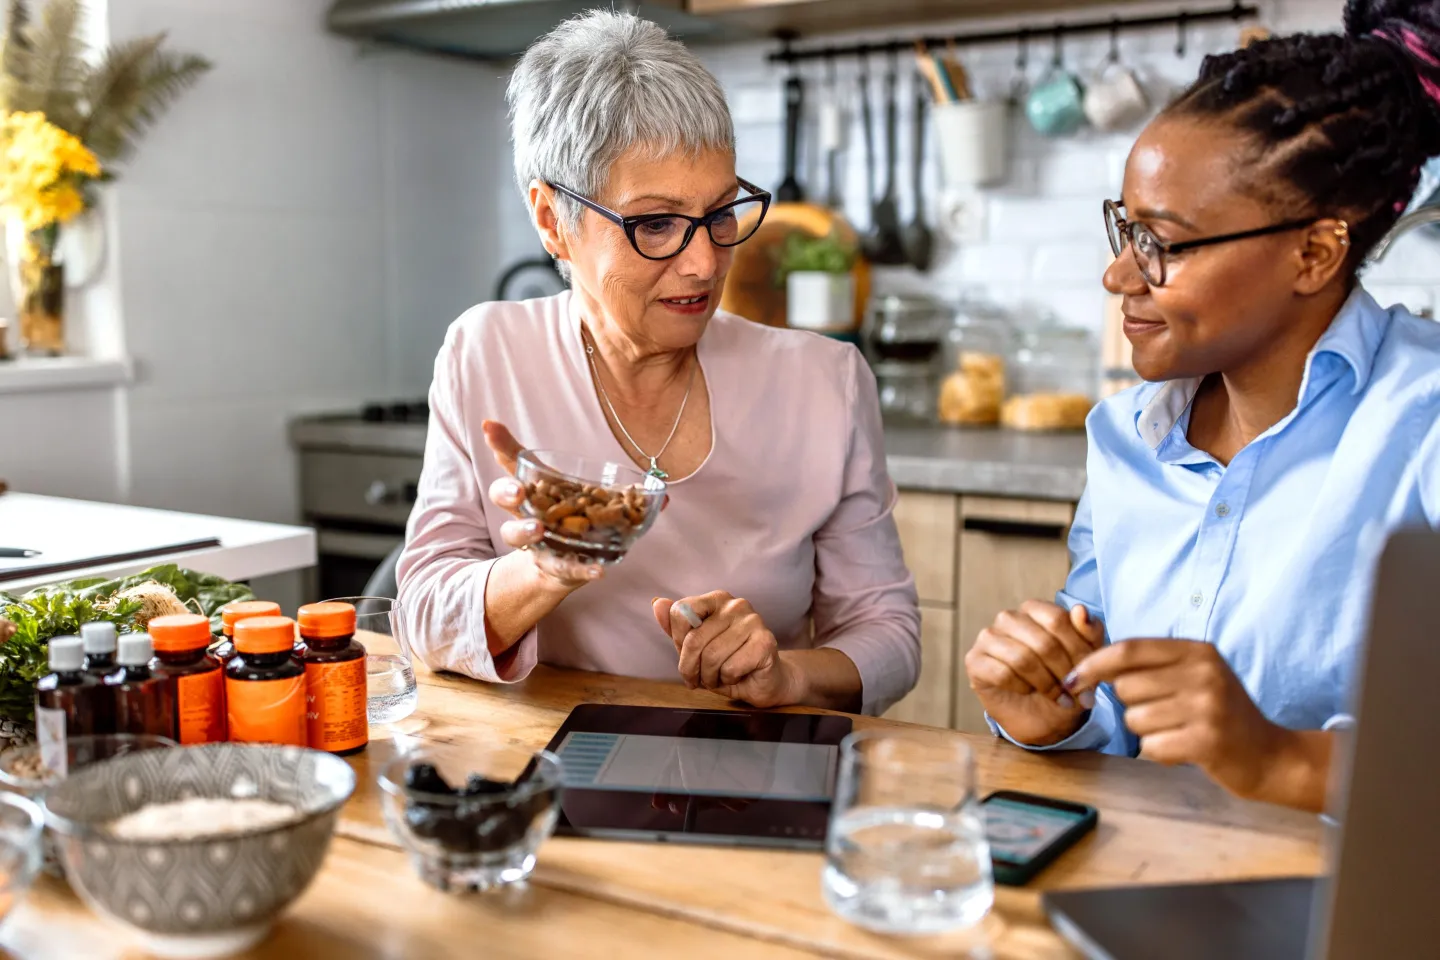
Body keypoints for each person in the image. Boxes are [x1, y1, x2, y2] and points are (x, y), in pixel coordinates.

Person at [965, 0, 1440, 812]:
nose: (1118, 276)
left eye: (1165, 243)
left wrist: (1284, 761)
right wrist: (1055, 716)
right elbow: (1115, 719)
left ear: (1314, 253)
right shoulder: (1124, 438)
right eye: (1125, 229)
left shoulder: (1421, 424)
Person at [396, 11, 920, 716]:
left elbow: (890, 636)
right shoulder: (488, 353)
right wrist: (543, 569)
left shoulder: (824, 383)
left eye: (721, 213)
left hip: (756, 767)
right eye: (655, 224)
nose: (704, 263)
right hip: (550, 767)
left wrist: (787, 675)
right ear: (552, 221)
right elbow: (421, 616)